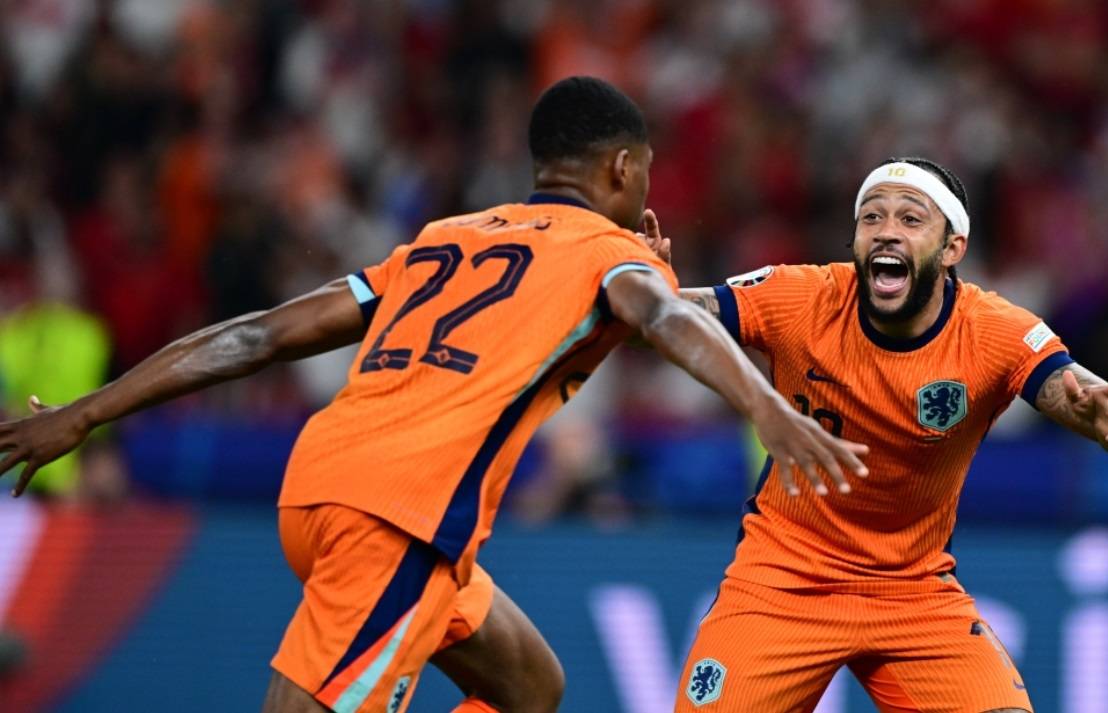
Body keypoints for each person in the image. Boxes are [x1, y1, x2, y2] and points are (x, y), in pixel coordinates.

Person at [0, 76, 869, 713]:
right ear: (622, 167)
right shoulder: (612, 256)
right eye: (643, 172)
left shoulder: (444, 238)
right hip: (400, 523)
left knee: (528, 684)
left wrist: (86, 411)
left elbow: (260, 334)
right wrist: (767, 406)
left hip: (317, 487)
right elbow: (666, 316)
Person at [661, 157, 1108, 713]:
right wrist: (651, 293)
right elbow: (671, 317)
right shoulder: (801, 297)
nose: (886, 230)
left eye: (911, 219)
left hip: (912, 590)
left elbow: (1105, 404)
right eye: (871, 217)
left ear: (952, 248)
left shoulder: (994, 331)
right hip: (783, 578)